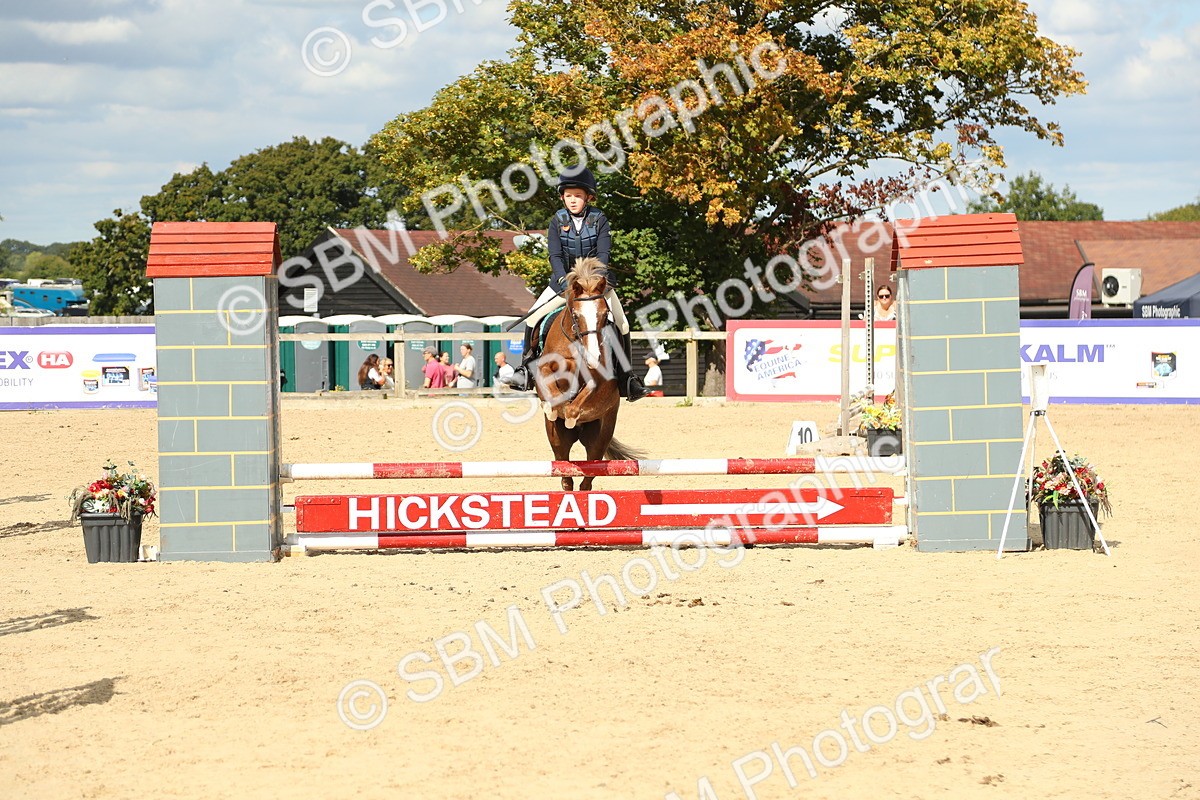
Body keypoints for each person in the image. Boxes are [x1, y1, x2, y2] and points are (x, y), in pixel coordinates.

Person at [505, 166, 646, 401]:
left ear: (588, 197)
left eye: (578, 196)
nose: (572, 200)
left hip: (596, 284)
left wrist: (595, 282)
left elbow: (603, 254)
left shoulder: (599, 219)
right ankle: (525, 371)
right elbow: (555, 256)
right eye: (568, 195)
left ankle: (628, 378)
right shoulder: (557, 221)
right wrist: (563, 280)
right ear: (562, 197)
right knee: (532, 318)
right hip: (563, 283)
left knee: (622, 323)